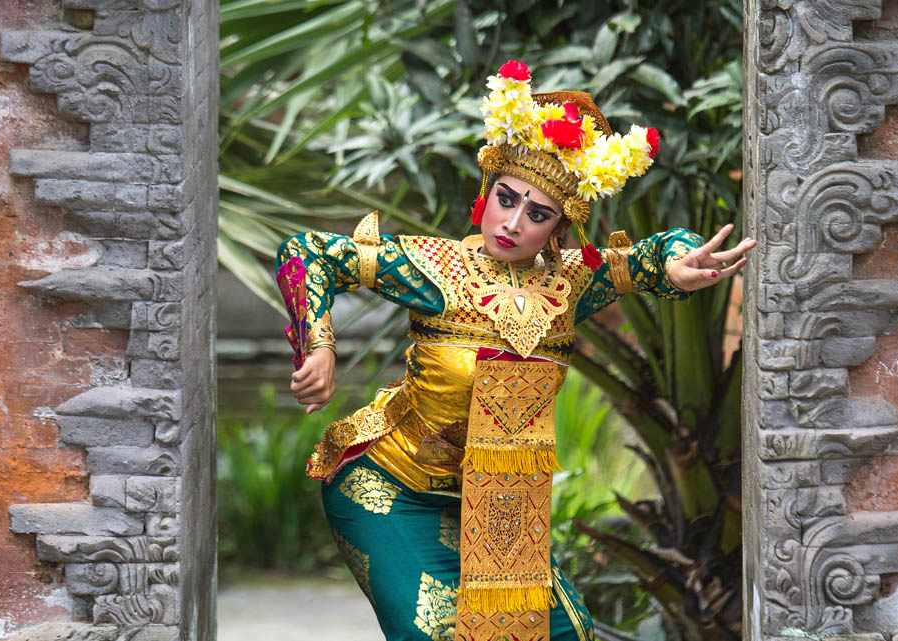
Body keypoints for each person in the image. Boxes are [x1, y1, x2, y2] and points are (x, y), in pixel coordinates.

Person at [274, 59, 754, 641]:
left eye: (538, 213)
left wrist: (677, 265)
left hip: (499, 509)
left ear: (558, 228)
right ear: (488, 191)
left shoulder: (573, 282)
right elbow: (309, 252)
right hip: (392, 489)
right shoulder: (434, 268)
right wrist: (317, 346)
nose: (513, 222)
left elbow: (651, 258)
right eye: (507, 199)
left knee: (561, 634)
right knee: (437, 633)